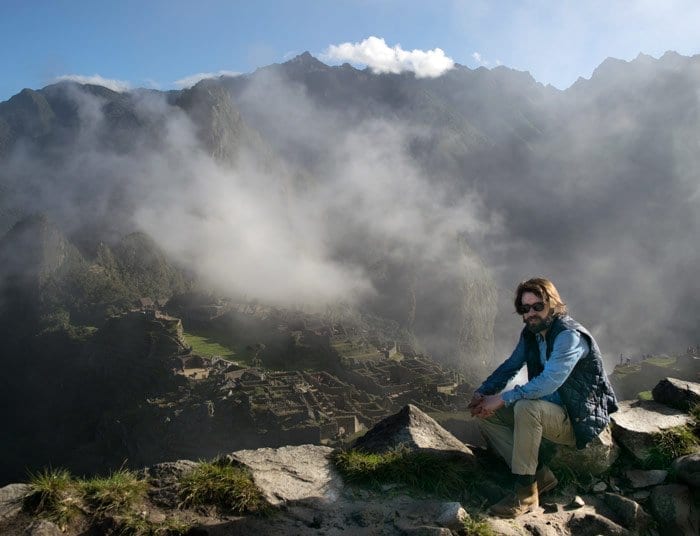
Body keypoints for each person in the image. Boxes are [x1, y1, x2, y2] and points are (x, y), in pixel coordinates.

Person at [468, 277, 618, 518]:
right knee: (486, 413)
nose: (531, 314)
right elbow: (511, 366)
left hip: (577, 417)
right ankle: (539, 475)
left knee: (526, 407)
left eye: (538, 306)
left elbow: (549, 382)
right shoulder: (531, 334)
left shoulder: (569, 336)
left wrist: (504, 398)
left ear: (553, 304)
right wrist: (484, 393)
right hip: (550, 409)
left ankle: (526, 495)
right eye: (525, 309)